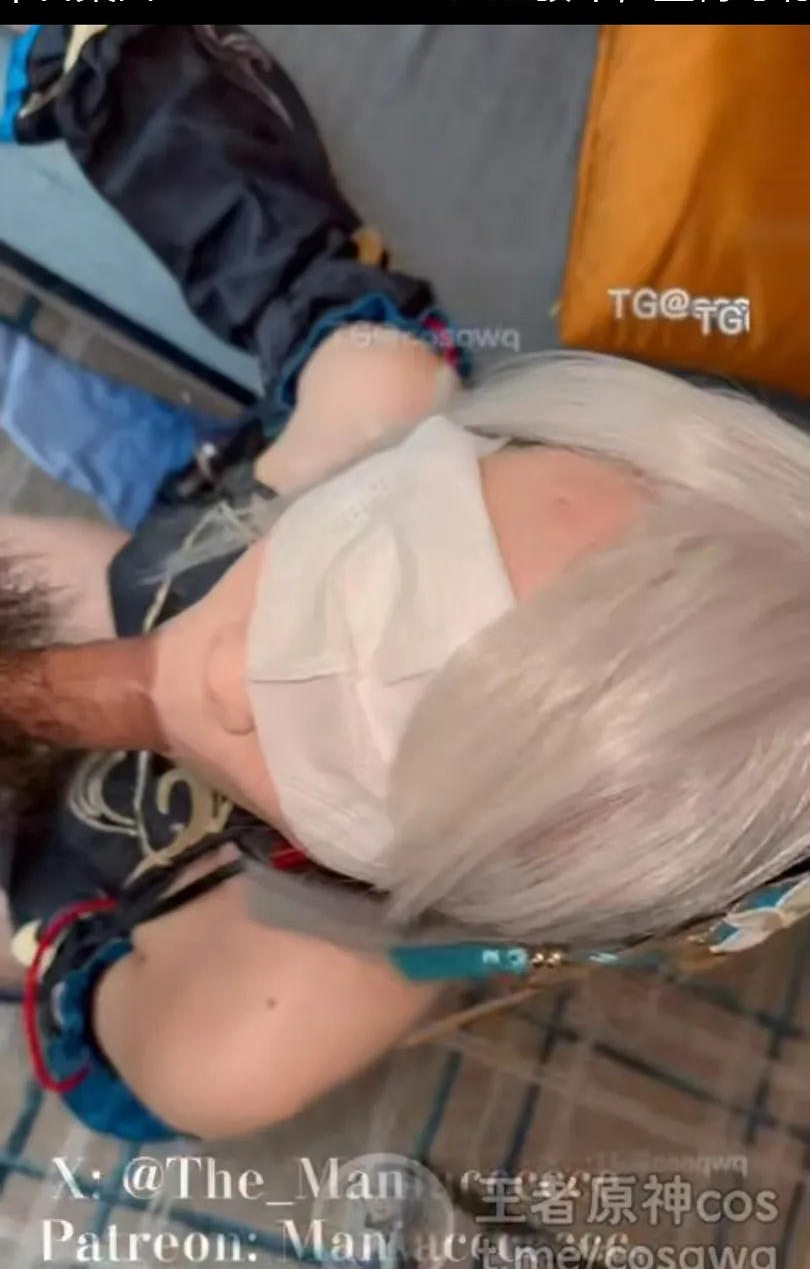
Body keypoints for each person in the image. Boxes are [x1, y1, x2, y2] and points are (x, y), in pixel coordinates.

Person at [5, 333, 810, 1144]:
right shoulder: (380, 392)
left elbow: (57, 969)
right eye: (359, 556)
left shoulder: (237, 1037)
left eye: (341, 759)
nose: (220, 674)